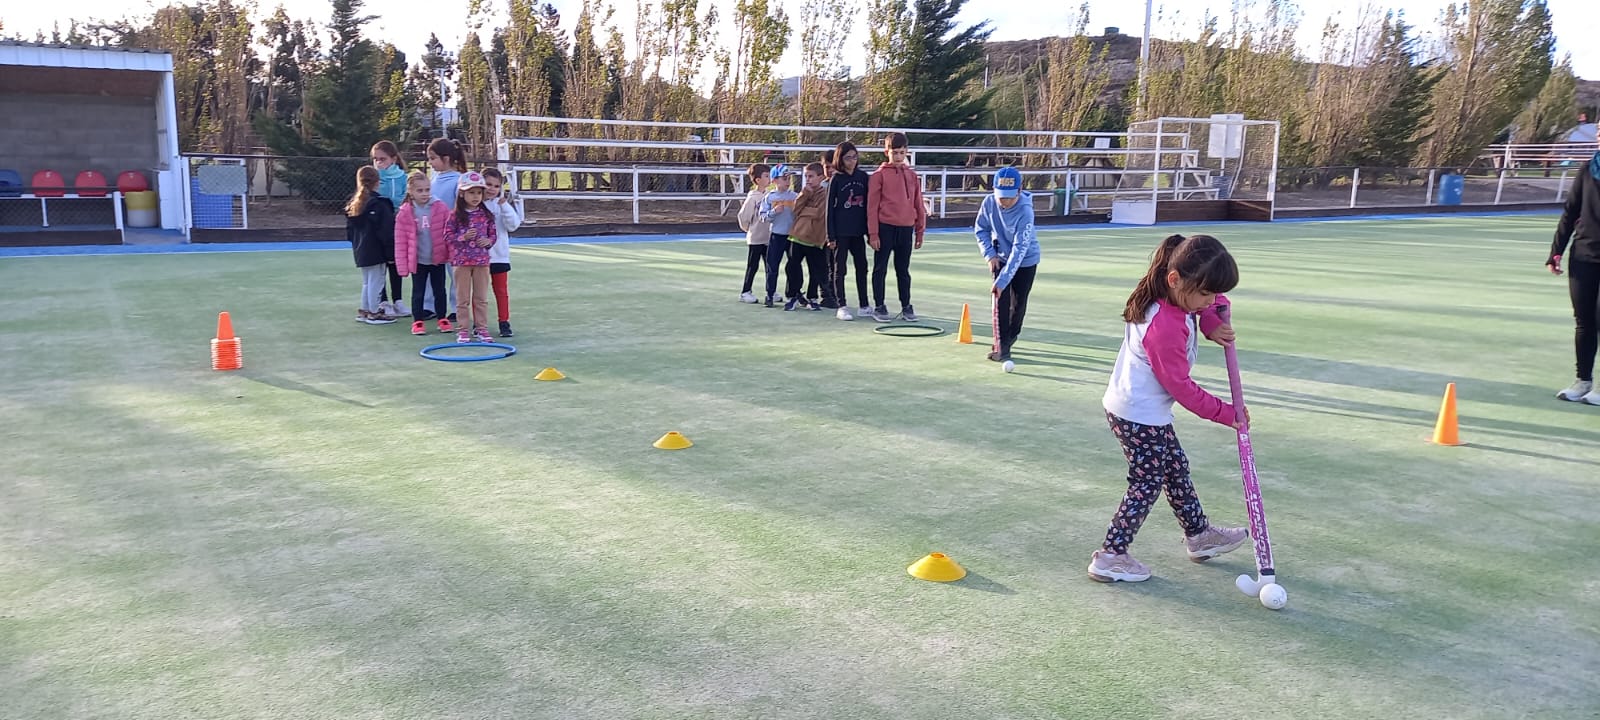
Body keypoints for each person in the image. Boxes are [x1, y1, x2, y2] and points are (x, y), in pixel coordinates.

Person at [1089, 233, 1251, 583]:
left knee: (1175, 469)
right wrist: (1227, 413)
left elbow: (1214, 299)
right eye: (1205, 295)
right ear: (1176, 279)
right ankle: (1111, 555)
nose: (1211, 301)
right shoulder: (1164, 326)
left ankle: (1199, 535)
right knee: (1147, 482)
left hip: (1143, 410)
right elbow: (1181, 387)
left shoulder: (1175, 292)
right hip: (1137, 414)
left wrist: (1211, 321)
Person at [1548, 144, 1600, 405]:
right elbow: (1570, 211)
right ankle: (1583, 381)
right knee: (1584, 321)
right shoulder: (1588, 169)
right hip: (1583, 255)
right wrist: (1556, 251)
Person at [975, 167, 1041, 363]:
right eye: (1001, 196)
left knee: (1018, 307)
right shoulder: (989, 203)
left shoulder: (1025, 211)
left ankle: (1010, 338)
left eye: (1009, 198)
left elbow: (1020, 249)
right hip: (1000, 258)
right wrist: (990, 255)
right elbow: (981, 230)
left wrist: (1003, 280)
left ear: (1019, 191)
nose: (1004, 201)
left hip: (1026, 261)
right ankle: (1001, 347)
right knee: (1000, 304)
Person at [867, 132, 927, 322]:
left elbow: (918, 204)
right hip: (885, 228)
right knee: (880, 268)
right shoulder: (878, 176)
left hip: (905, 229)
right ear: (887, 152)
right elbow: (872, 207)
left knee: (903, 270)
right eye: (895, 153)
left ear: (906, 152)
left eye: (902, 152)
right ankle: (879, 305)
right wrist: (873, 233)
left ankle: (906, 305)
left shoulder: (912, 175)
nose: (899, 157)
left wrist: (920, 231)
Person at [395, 170, 453, 336]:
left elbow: (449, 232)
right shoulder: (405, 212)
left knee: (439, 290)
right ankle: (418, 321)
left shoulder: (440, 207)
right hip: (418, 260)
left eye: (427, 189)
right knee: (418, 292)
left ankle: (442, 318)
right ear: (411, 192)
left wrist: (451, 255)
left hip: (437, 259)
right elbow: (400, 241)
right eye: (419, 190)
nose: (424, 193)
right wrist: (403, 265)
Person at [444, 171, 497, 343]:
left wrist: (488, 241)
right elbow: (447, 236)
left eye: (479, 193)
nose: (475, 197)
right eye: (471, 192)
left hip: (482, 262)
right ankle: (463, 329)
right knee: (462, 298)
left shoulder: (486, 215)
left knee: (481, 298)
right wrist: (463, 237)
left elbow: (493, 235)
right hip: (461, 262)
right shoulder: (455, 215)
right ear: (462, 193)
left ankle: (481, 328)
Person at [345, 166, 397, 325]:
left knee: (367, 281)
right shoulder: (380, 204)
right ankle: (374, 312)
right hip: (376, 250)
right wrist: (390, 253)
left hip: (361, 250)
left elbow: (349, 232)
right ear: (377, 182)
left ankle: (365, 310)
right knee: (377, 281)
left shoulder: (355, 204)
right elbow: (386, 232)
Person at [828, 141, 872, 321]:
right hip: (841, 232)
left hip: (858, 232)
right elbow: (829, 209)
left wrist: (870, 232)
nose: (852, 161)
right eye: (848, 158)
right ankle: (842, 306)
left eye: (854, 157)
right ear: (840, 159)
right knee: (840, 269)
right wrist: (830, 235)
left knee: (862, 267)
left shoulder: (863, 177)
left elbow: (869, 205)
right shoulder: (836, 179)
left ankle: (864, 305)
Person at [427, 138, 469, 322]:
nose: (430, 162)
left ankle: (456, 307)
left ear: (446, 158)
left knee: (455, 273)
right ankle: (429, 306)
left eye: (432, 158)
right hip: (433, 235)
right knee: (430, 270)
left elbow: (461, 209)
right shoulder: (433, 180)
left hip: (454, 236)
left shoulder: (459, 181)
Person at [481, 167, 524, 338]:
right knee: (479, 294)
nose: (492, 189)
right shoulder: (475, 204)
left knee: (501, 292)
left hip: (499, 257)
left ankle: (504, 322)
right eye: (488, 184)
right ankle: (480, 324)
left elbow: (513, 225)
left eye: (496, 186)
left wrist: (504, 205)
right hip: (479, 258)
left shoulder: (502, 205)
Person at [371, 140, 412, 319]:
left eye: (383, 159)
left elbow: (405, 197)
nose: (378, 162)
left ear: (393, 159)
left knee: (395, 263)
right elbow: (373, 199)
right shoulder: (374, 178)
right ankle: (383, 301)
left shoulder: (403, 177)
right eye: (375, 159)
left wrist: (395, 207)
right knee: (380, 264)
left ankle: (398, 300)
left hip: (397, 225)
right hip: (378, 227)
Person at [785, 162, 829, 312]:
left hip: (815, 239)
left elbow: (819, 213)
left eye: (811, 176)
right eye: (806, 176)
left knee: (815, 270)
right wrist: (805, 196)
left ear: (821, 177)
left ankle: (812, 297)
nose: (808, 179)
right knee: (792, 267)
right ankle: (793, 295)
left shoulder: (825, 194)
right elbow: (795, 209)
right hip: (797, 236)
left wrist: (805, 211)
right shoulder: (804, 192)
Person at [760, 165, 799, 308]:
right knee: (772, 266)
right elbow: (762, 217)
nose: (788, 181)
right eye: (784, 178)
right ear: (775, 180)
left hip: (792, 237)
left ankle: (793, 294)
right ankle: (770, 294)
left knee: (794, 266)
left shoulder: (795, 197)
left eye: (789, 178)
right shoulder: (769, 197)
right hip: (776, 236)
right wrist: (774, 212)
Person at [736, 163, 774, 303]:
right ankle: (745, 291)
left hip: (768, 237)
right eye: (766, 176)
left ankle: (771, 290)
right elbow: (743, 217)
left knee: (770, 265)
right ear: (758, 180)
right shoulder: (752, 198)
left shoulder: (771, 195)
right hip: (756, 238)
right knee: (753, 266)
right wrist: (749, 229)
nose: (769, 179)